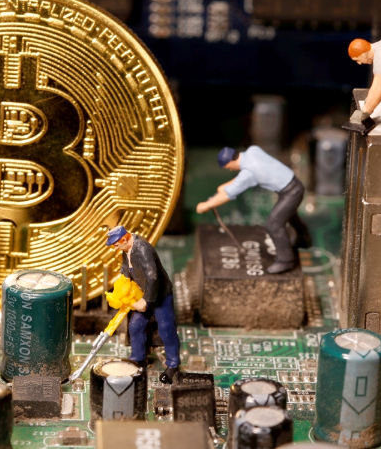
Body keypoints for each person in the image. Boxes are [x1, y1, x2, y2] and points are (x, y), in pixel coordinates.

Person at [197, 146, 311, 274]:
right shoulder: (252, 151)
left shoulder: (249, 173)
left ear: (231, 161)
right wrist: (227, 186)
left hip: (291, 193)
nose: (229, 169)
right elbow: (240, 179)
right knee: (289, 215)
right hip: (294, 185)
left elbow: (228, 194)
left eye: (228, 167)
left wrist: (207, 205)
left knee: (273, 225)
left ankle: (286, 260)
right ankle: (304, 239)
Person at [106, 225, 180, 384]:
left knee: (166, 329)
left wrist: (146, 301)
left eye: (116, 244)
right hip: (142, 294)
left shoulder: (142, 249)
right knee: (135, 326)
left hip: (159, 296)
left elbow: (152, 277)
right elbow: (126, 268)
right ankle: (138, 358)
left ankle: (173, 364)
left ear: (124, 239)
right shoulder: (126, 249)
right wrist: (123, 284)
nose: (115, 248)